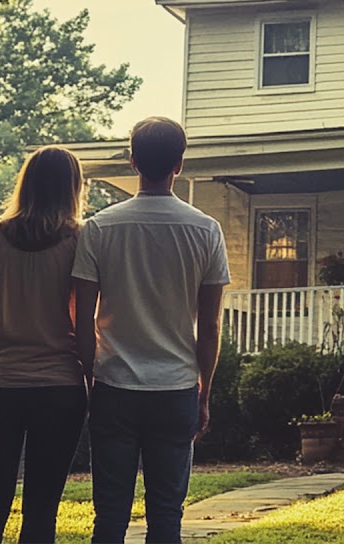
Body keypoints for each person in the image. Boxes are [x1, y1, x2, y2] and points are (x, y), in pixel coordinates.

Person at [72, 117, 229, 543]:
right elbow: (210, 325)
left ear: (132, 160)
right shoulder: (206, 230)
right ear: (179, 164)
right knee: (166, 518)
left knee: (108, 517)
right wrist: (204, 390)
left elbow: (82, 319)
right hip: (176, 388)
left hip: (114, 384)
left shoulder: (99, 228)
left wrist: (88, 381)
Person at [0, 146, 90, 544]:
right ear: (73, 187)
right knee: (41, 510)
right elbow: (81, 317)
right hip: (59, 387)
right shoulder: (78, 240)